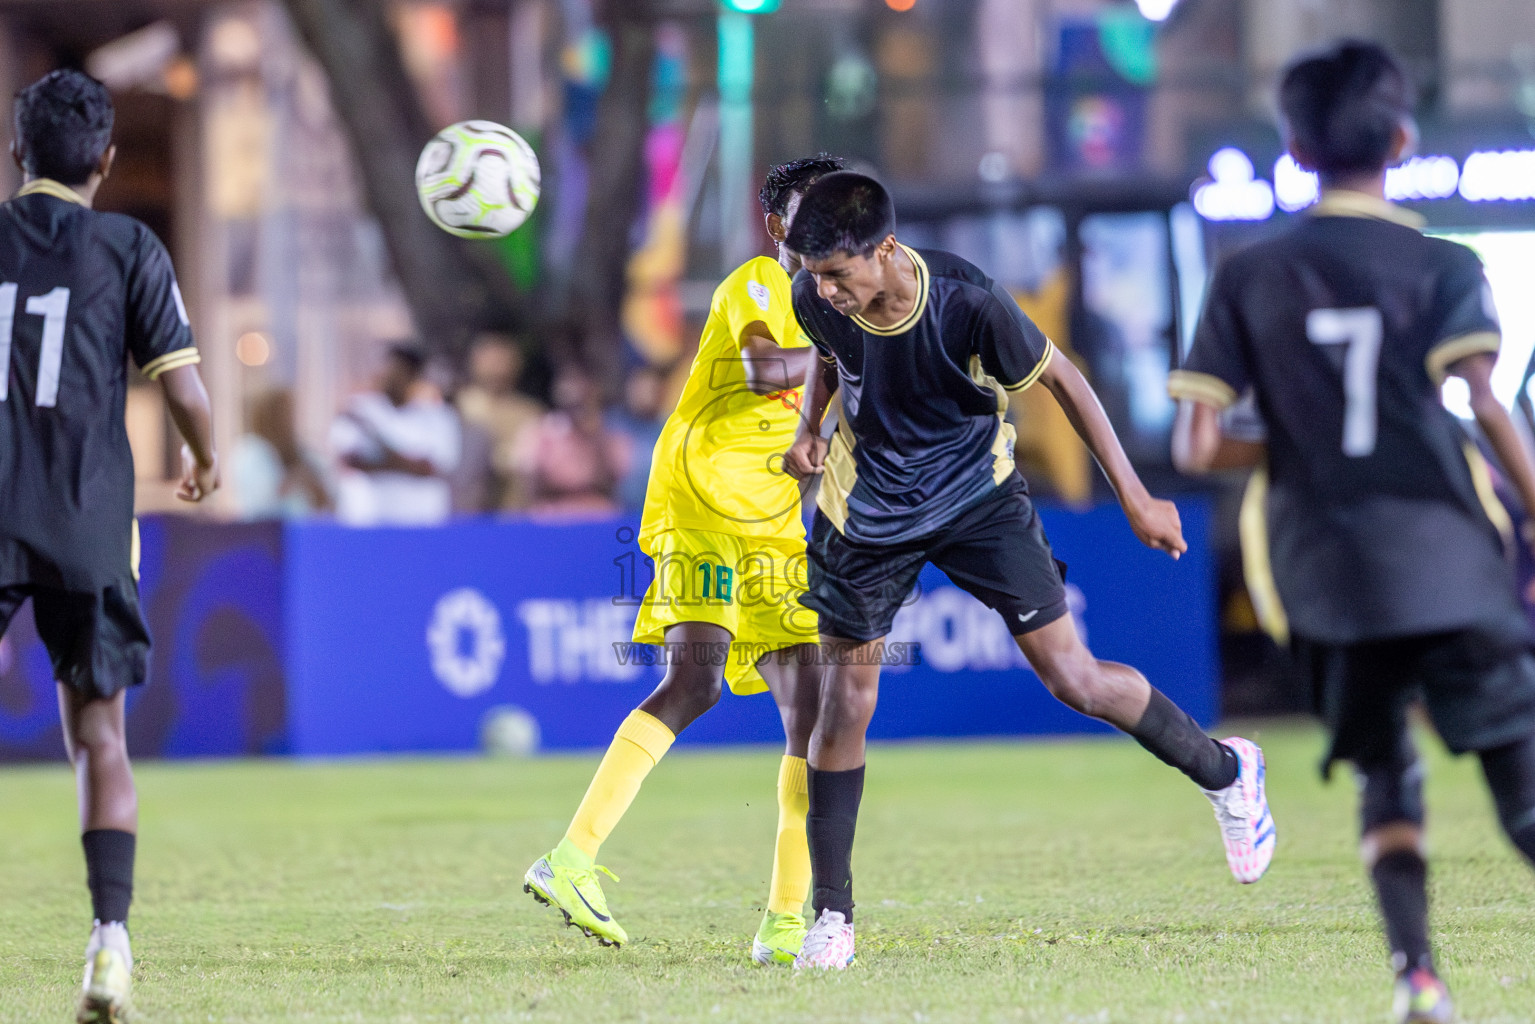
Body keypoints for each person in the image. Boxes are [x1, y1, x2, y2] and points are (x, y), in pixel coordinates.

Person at [780, 171, 1276, 969]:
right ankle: (831, 917)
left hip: (978, 500)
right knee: (842, 709)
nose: (823, 290)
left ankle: (1226, 770)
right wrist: (810, 430)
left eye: (837, 273)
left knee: (1074, 680)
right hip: (866, 514)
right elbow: (830, 358)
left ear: (882, 249)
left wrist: (1138, 497)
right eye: (812, 275)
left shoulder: (967, 302)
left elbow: (1067, 382)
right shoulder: (816, 294)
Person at [1170, 41, 1535, 1024]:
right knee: (1519, 776)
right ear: (1402, 141)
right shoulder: (1445, 264)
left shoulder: (1247, 274)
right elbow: (1484, 406)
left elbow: (1197, 444)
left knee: (1385, 771)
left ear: (1290, 149)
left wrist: (1295, 440)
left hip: (1322, 570)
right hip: (1447, 555)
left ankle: (1416, 978)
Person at [523, 155, 846, 964]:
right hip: (700, 502)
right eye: (808, 212)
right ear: (778, 226)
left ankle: (782, 923)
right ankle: (570, 859)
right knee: (695, 679)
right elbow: (763, 367)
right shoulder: (761, 283)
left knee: (812, 711)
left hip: (773, 521)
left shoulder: (848, 307)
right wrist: (860, 357)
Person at [0, 70, 220, 1024]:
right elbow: (183, 387)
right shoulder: (128, 244)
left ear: (17, 152)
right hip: (88, 519)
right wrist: (206, 459)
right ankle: (109, 947)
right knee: (99, 739)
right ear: (106, 160)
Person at [330, 343, 461, 526]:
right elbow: (351, 461)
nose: (391, 376)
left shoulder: (439, 416)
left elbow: (432, 468)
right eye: (389, 368)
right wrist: (407, 463)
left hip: (421, 524)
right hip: (366, 521)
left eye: (400, 370)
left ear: (414, 375)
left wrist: (385, 455)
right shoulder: (357, 409)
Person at [511, 363, 630, 516]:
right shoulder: (539, 432)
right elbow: (530, 483)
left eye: (583, 397)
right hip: (551, 512)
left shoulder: (609, 435)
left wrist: (594, 438)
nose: (576, 403)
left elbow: (611, 484)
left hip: (598, 512)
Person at [455, 333, 545, 511]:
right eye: (491, 361)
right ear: (475, 363)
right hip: (471, 511)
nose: (497, 369)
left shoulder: (530, 412)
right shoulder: (459, 406)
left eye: (503, 361)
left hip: (517, 511)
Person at [230, 389, 331, 520]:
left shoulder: (303, 453)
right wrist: (295, 479)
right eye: (282, 413)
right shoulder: (251, 451)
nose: (288, 419)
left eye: (290, 412)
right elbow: (261, 501)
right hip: (263, 532)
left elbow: (328, 501)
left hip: (302, 532)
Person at [607, 364, 668, 510]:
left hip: (660, 508)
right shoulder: (611, 424)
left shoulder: (669, 428)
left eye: (652, 389)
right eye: (640, 388)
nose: (645, 394)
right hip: (618, 510)